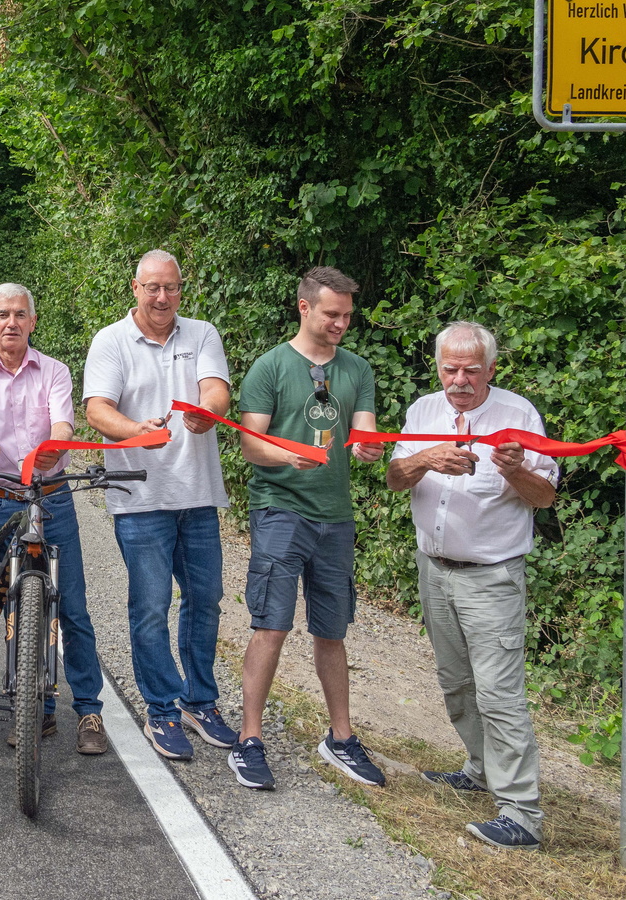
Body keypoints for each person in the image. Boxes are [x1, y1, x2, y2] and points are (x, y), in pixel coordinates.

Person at [385, 321, 557, 850]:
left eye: (471, 370)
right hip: (434, 571)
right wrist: (423, 458)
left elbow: (545, 496)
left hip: (492, 577)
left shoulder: (518, 414)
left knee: (500, 694)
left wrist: (514, 470)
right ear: (438, 366)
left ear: (491, 369)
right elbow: (395, 477)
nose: (459, 380)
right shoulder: (422, 411)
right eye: (450, 368)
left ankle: (522, 813)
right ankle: (480, 769)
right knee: (455, 682)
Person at [229, 266, 386, 792]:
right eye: (332, 314)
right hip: (280, 508)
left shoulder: (357, 369)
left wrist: (368, 448)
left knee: (332, 629)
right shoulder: (270, 367)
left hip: (335, 515)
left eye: (347, 315)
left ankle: (341, 738)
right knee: (271, 624)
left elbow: (363, 435)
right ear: (304, 307)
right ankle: (249, 740)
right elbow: (251, 444)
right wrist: (289, 456)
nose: (342, 323)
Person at [82, 249, 239, 761]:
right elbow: (97, 409)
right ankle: (162, 710)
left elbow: (216, 389)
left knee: (205, 599)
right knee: (149, 608)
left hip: (196, 494)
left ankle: (200, 701)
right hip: (139, 496)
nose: (162, 297)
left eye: (170, 287)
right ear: (135, 288)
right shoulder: (110, 341)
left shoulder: (202, 334)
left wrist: (208, 412)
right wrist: (135, 433)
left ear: (180, 288)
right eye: (152, 287)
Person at [0, 283, 109, 755]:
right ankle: (31, 707)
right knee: (5, 607)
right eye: (3, 315)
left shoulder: (54, 371)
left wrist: (53, 447)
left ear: (32, 322)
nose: (11, 322)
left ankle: (88, 711)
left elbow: (62, 425)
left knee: (71, 607)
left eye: (20, 314)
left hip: (50, 496)